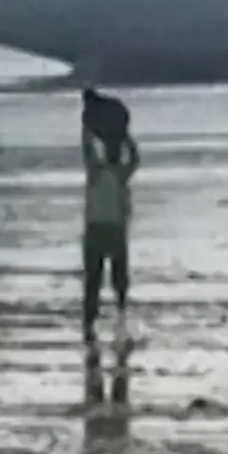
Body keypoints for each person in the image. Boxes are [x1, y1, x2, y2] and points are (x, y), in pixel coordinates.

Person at [81, 88, 139, 340]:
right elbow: (134, 159)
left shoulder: (101, 173)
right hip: (112, 229)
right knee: (110, 276)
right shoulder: (118, 175)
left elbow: (88, 151)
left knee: (98, 278)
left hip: (98, 229)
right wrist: (125, 138)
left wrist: (89, 130)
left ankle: (96, 319)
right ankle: (113, 314)